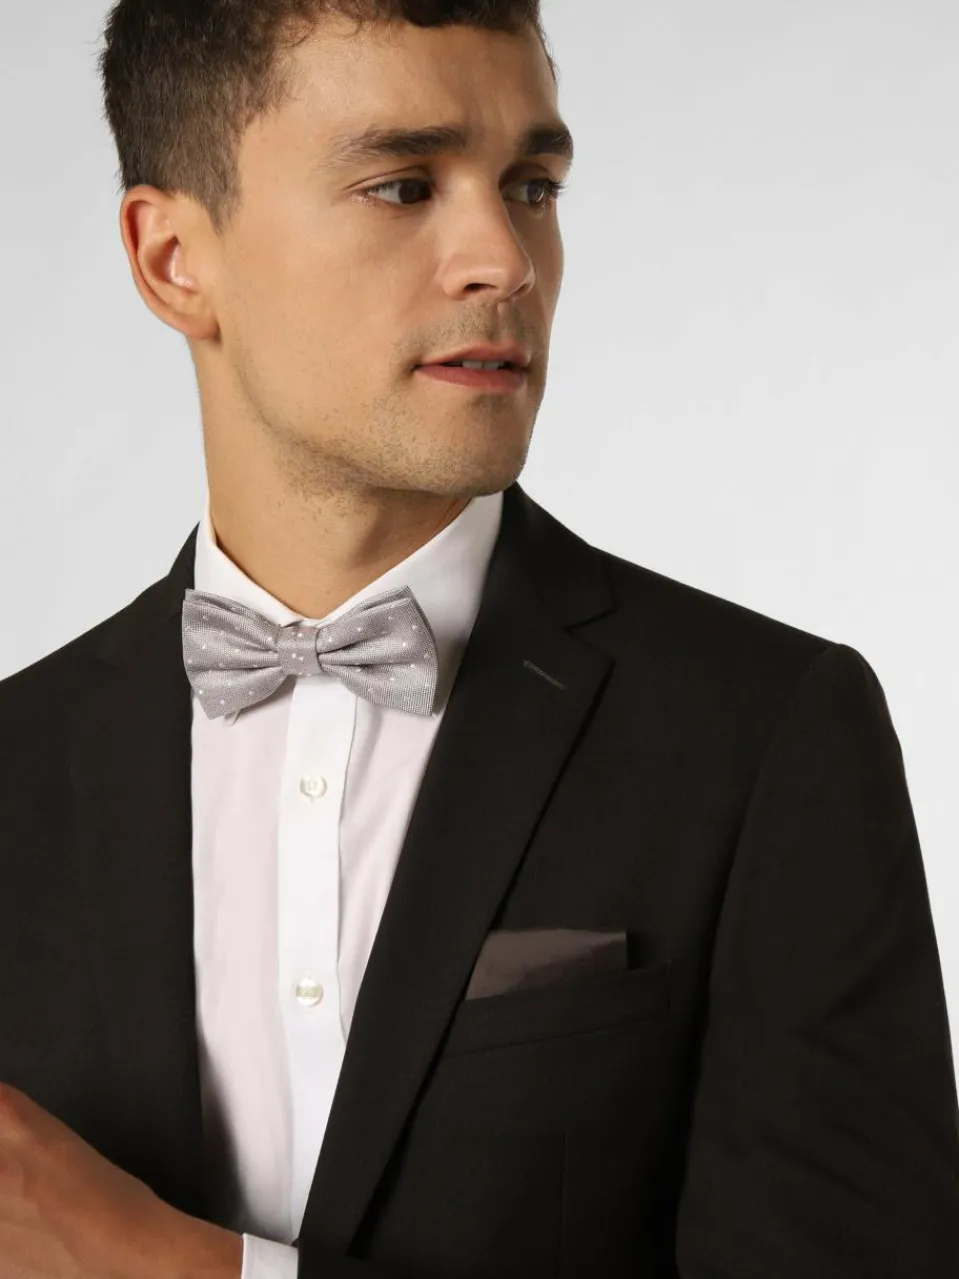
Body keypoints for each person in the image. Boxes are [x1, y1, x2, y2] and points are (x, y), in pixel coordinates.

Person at [1, 2, 957, 1277]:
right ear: (175, 259)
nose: (503, 261)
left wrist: (182, 1268)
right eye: (403, 186)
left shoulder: (764, 737)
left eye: (531, 187)